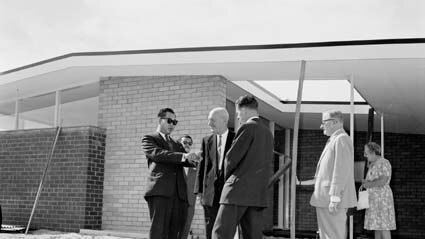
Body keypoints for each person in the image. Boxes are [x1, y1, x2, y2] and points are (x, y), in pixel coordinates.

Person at [212, 95, 274, 239]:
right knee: (252, 236)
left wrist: (227, 183)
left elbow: (231, 158)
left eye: (238, 113)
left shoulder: (247, 127)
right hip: (257, 194)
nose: (238, 117)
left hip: (236, 191)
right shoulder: (267, 133)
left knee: (221, 233)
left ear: (244, 110)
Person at [142, 108, 200, 239]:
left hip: (179, 195)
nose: (172, 125)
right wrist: (184, 156)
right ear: (160, 120)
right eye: (169, 121)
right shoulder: (149, 139)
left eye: (175, 122)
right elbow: (158, 154)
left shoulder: (175, 143)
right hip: (160, 191)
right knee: (158, 231)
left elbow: (184, 160)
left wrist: (196, 158)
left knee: (175, 232)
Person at [298, 110, 357, 239]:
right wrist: (300, 182)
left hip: (332, 199)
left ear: (335, 122)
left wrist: (335, 197)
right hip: (326, 198)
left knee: (333, 235)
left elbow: (341, 170)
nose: (321, 126)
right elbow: (324, 175)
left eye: (324, 122)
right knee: (327, 234)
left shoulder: (341, 139)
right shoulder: (335, 140)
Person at [194, 107, 235, 239]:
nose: (209, 124)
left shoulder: (237, 139)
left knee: (225, 230)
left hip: (229, 193)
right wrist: (199, 191)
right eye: (208, 120)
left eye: (212, 120)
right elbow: (202, 165)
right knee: (210, 228)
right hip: (209, 193)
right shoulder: (206, 140)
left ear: (224, 121)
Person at [361, 142, 396, 239]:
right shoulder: (372, 165)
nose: (365, 155)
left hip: (382, 199)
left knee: (384, 226)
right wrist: (366, 182)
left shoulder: (384, 162)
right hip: (374, 199)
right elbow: (374, 180)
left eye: (366, 153)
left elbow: (383, 180)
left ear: (373, 152)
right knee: (376, 226)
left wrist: (369, 184)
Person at [180, 135, 197, 239]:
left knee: (186, 228)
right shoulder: (174, 159)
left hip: (190, 201)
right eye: (185, 142)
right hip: (176, 200)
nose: (187, 145)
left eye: (190, 143)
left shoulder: (195, 162)